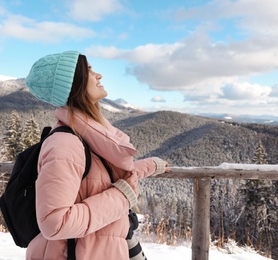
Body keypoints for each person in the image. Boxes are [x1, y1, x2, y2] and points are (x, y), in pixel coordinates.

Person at [24, 50, 171, 260]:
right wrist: (122, 196)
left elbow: (102, 180)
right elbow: (54, 223)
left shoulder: (86, 136)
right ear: (73, 84)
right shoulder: (65, 143)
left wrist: (149, 166)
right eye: (89, 70)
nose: (98, 75)